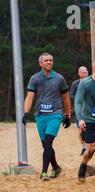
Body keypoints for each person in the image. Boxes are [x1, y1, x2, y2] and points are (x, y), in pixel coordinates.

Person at [22, 52, 71, 181]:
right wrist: (26, 112)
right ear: (40, 63)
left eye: (51, 60)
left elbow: (66, 98)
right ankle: (56, 167)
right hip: (40, 116)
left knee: (48, 141)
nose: (49, 62)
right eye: (46, 60)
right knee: (46, 145)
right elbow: (30, 97)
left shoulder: (59, 78)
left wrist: (67, 115)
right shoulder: (35, 78)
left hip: (55, 114)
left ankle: (44, 172)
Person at [70, 66, 89, 156]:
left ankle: (91, 145)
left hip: (90, 109)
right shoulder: (75, 83)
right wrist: (79, 99)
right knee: (81, 129)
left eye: (86, 72)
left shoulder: (91, 81)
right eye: (82, 73)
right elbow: (71, 95)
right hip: (80, 109)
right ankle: (84, 146)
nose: (85, 74)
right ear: (79, 74)